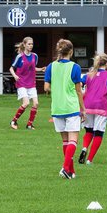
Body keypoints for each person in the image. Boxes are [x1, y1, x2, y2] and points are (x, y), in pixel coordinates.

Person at [42, 38, 85, 179]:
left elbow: (46, 88)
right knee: (73, 140)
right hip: (71, 107)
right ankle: (65, 168)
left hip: (57, 108)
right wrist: (83, 109)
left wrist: (56, 87)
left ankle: (71, 172)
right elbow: (79, 91)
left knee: (65, 141)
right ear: (71, 51)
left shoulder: (51, 66)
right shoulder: (75, 67)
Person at [78, 52, 107, 165]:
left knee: (89, 130)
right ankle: (89, 160)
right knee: (99, 133)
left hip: (87, 106)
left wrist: (82, 99)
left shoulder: (88, 75)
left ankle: (84, 148)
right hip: (101, 106)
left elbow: (79, 87)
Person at [9, 36, 41, 129]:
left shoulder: (35, 56)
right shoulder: (20, 56)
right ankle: (13, 121)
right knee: (26, 103)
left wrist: (41, 69)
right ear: (24, 45)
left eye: (32, 44)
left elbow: (33, 68)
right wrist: (15, 76)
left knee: (36, 103)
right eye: (29, 44)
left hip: (31, 84)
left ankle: (29, 125)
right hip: (21, 83)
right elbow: (11, 68)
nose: (31, 46)